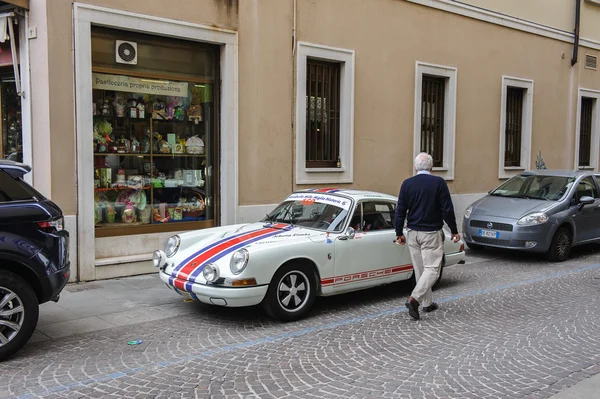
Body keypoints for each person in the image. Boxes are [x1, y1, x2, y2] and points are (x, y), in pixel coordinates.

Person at [394, 152, 460, 320]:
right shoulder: (438, 183)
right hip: (430, 233)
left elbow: (400, 210)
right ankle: (415, 299)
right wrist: (453, 230)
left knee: (421, 270)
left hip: (413, 233)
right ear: (431, 167)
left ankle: (427, 304)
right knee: (432, 270)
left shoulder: (407, 184)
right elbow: (447, 209)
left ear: (416, 167)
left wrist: (399, 232)